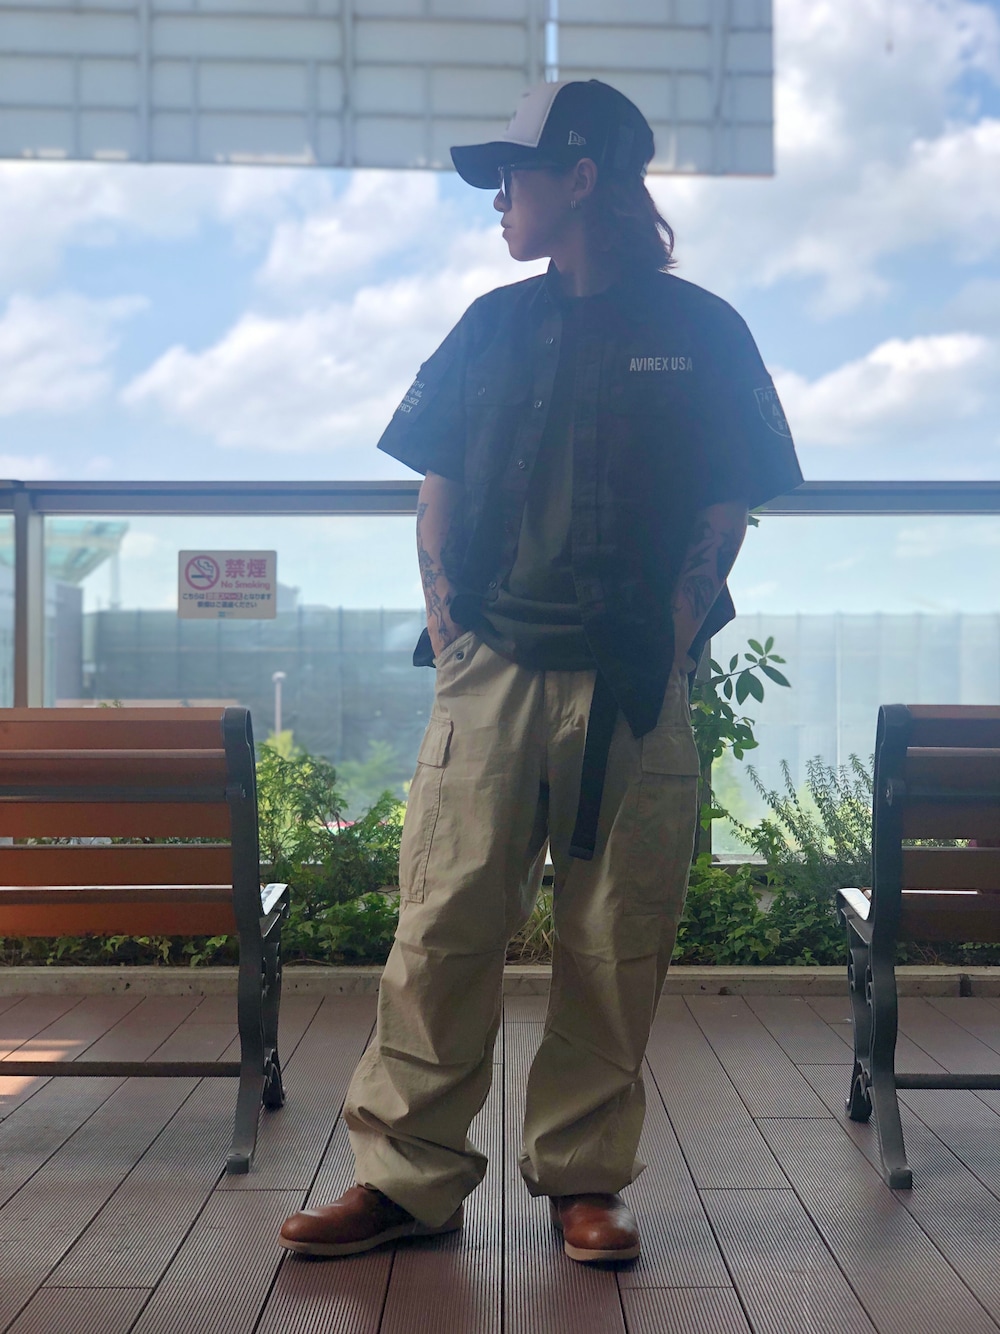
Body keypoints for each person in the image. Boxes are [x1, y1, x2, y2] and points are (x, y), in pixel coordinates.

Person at [279, 78, 802, 1264]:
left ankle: (582, 1177)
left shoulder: (703, 329)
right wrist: (451, 636)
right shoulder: (490, 324)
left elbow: (727, 497)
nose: (497, 201)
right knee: (441, 924)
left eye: (511, 176)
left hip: (632, 676)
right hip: (493, 670)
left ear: (580, 177)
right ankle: (404, 1178)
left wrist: (674, 631)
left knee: (616, 938)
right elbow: (439, 485)